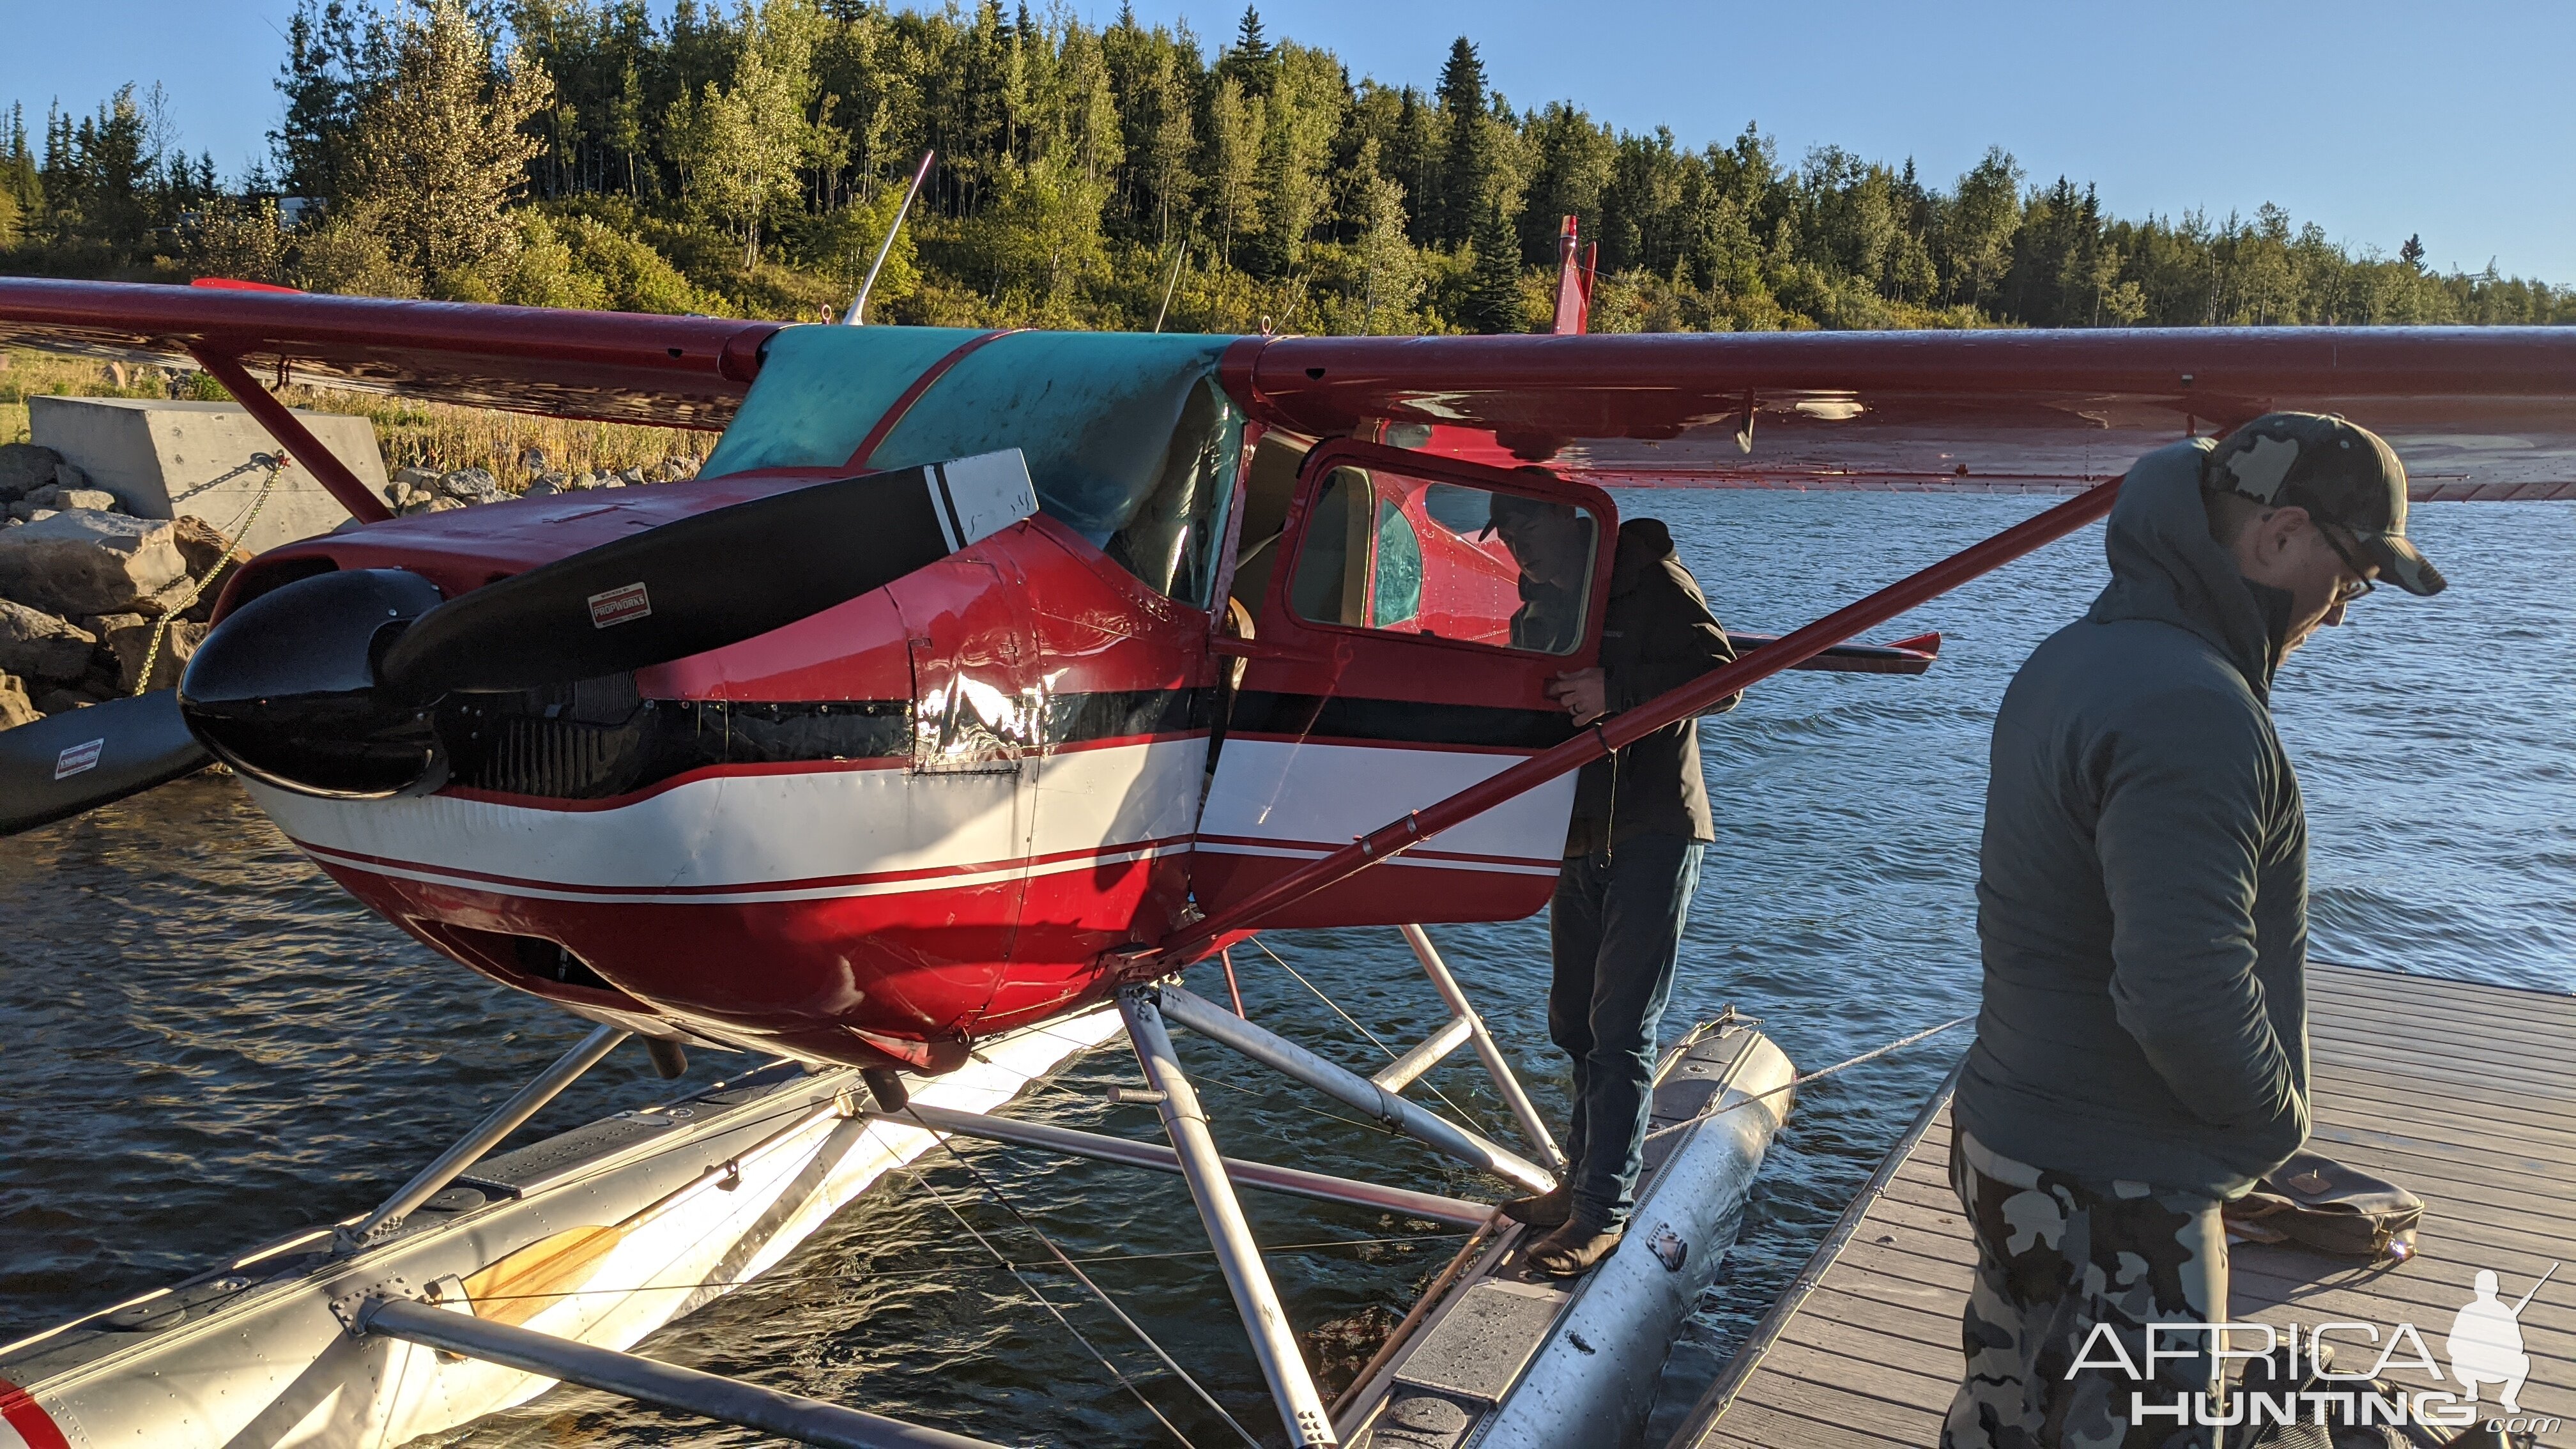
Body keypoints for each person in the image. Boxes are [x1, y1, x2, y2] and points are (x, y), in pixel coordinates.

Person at [1946, 413, 2446, 1448]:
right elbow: (2182, 986)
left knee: (2005, 1412)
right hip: (2117, 1191)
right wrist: (2268, 1129)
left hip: (2008, 1136)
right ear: (2278, 535)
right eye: (2347, 578)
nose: (2339, 612)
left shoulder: (2074, 656)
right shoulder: (2194, 708)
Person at [1491, 501, 1738, 1278]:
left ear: (1574, 525)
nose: (1514, 542)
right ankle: (1578, 1181)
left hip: (1655, 829)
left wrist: (1614, 689)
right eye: (1504, 530)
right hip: (1576, 830)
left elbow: (1725, 680)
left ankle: (1604, 1211)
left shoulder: (1656, 582)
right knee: (1573, 1019)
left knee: (1622, 1022)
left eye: (1527, 526)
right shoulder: (1542, 608)